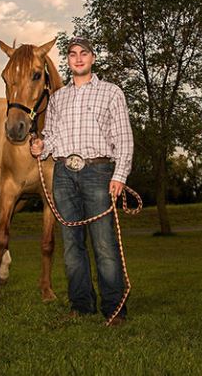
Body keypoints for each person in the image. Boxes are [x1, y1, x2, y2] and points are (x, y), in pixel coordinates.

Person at [30, 36, 134, 325]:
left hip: (98, 172)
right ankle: (81, 305)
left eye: (83, 54)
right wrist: (40, 147)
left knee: (104, 243)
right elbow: (50, 137)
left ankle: (114, 308)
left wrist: (119, 176)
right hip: (63, 173)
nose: (78, 59)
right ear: (68, 60)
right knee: (72, 245)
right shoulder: (58, 98)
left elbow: (124, 139)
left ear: (93, 58)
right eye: (73, 54)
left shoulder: (111, 93)